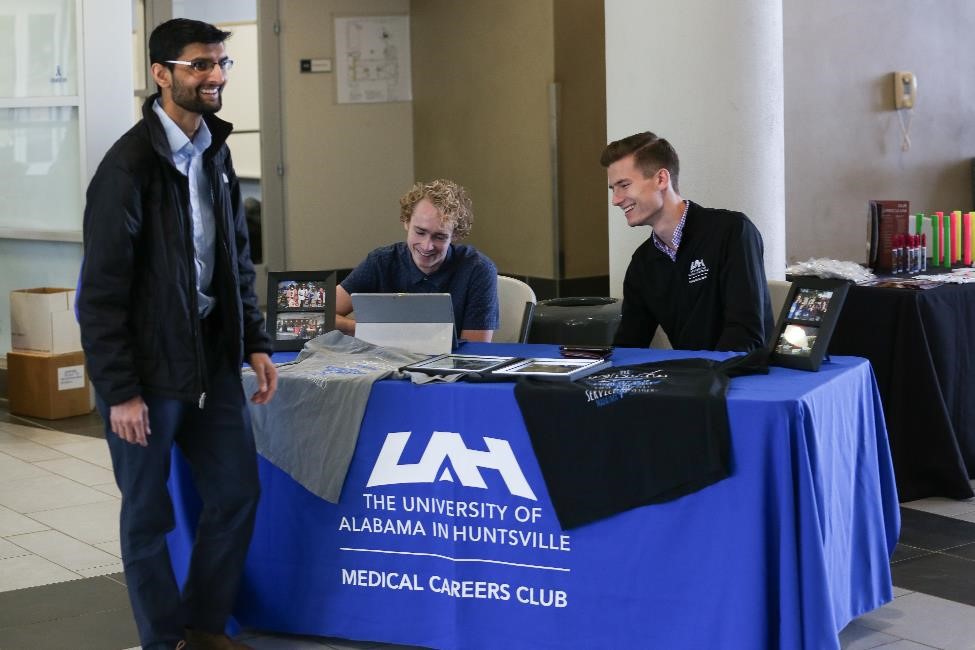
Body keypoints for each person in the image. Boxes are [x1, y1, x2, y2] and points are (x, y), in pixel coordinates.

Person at [77, 18, 277, 650]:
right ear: (161, 74)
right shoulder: (126, 169)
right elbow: (100, 297)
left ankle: (203, 624)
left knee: (236, 493)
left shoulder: (216, 151)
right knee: (148, 517)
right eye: (199, 65)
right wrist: (120, 391)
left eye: (221, 63)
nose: (215, 75)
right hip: (149, 376)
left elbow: (236, 259)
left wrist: (255, 340)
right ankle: (164, 641)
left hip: (212, 364)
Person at [602, 132, 773, 351]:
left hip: (747, 380)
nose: (615, 200)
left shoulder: (732, 231)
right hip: (692, 379)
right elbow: (629, 346)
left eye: (624, 185)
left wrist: (694, 378)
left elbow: (745, 338)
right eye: (613, 189)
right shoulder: (642, 262)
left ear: (661, 179)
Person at [335, 179, 499, 341]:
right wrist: (364, 329)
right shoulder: (381, 262)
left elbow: (474, 352)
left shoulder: (478, 269)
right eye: (420, 232)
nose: (427, 246)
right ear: (406, 222)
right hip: (385, 361)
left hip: (446, 364)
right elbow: (315, 313)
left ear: (454, 235)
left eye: (440, 237)